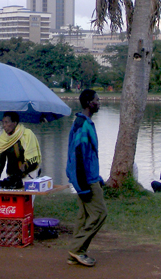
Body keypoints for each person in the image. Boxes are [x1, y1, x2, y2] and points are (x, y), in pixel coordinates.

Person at [66, 89, 107, 267]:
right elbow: (78, 156)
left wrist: (97, 177)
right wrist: (83, 185)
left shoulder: (84, 122)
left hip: (89, 178)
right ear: (90, 103)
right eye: (97, 100)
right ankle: (76, 248)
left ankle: (75, 254)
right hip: (86, 180)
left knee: (83, 217)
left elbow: (88, 155)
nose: (99, 102)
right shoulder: (82, 124)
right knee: (100, 214)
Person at [0, 111, 41, 188]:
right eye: (3, 123)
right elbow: (1, 159)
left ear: (14, 123)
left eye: (7, 122)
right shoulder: (3, 139)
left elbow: (34, 157)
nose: (4, 125)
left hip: (29, 175)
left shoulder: (27, 134)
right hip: (12, 177)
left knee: (27, 199)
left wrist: (26, 164)